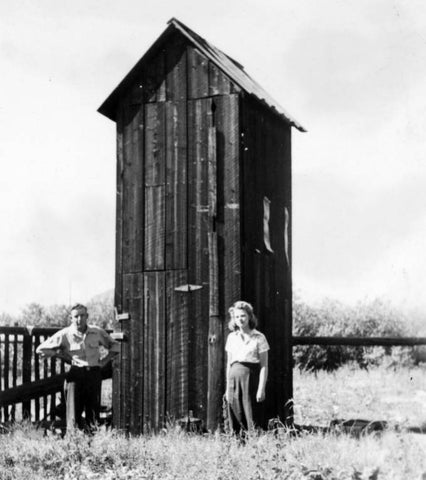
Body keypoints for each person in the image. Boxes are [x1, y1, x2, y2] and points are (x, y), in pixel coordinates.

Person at [36, 303, 119, 431]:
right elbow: (40, 349)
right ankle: (73, 444)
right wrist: (59, 355)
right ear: (71, 318)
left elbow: (115, 346)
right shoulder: (65, 334)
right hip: (76, 376)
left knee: (93, 414)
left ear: (87, 316)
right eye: (76, 316)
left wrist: (104, 360)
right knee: (73, 415)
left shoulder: (96, 332)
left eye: (82, 316)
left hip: (94, 375)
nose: (79, 319)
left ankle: (92, 444)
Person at [225, 301, 269, 434]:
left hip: (250, 380)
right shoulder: (232, 337)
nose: (240, 319)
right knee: (235, 414)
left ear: (249, 316)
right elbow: (229, 364)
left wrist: (261, 388)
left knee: (251, 414)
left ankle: (254, 447)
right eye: (237, 317)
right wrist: (228, 388)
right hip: (233, 380)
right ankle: (238, 447)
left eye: (243, 316)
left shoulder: (259, 337)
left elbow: (264, 366)